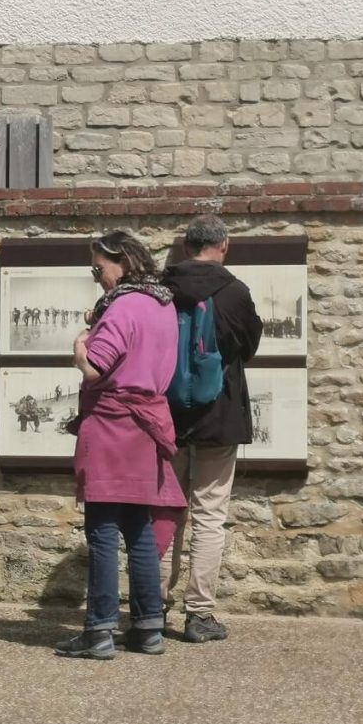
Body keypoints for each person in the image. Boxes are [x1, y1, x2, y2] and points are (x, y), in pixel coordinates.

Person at [55, 231, 187, 660]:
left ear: (123, 262)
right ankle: (149, 628)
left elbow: (96, 368)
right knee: (139, 529)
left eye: (99, 268)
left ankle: (99, 632)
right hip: (147, 424)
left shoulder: (123, 306)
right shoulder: (163, 304)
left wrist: (79, 346)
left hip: (113, 423)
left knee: (103, 530)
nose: (96, 277)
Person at [160, 215, 263, 644]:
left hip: (167, 417)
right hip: (218, 417)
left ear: (186, 248)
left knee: (164, 512)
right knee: (209, 515)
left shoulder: (162, 290)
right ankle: (199, 614)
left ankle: (151, 608)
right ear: (225, 245)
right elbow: (250, 346)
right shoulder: (234, 292)